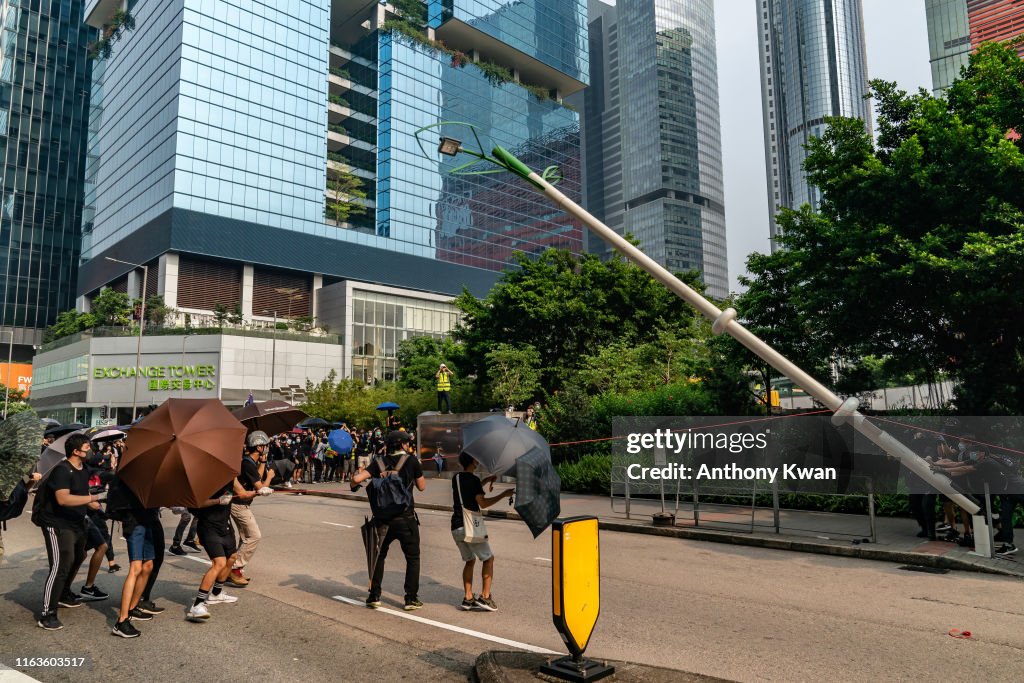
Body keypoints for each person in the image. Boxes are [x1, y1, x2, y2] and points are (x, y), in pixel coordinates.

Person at [33, 433, 105, 631]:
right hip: (57, 524)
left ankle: (64, 593)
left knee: (79, 556)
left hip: (76, 522)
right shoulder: (62, 470)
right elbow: (63, 499)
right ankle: (47, 613)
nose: (90, 450)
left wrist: (94, 504)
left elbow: (82, 495)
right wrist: (92, 499)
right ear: (75, 451)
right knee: (60, 565)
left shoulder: (83, 470)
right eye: (86, 447)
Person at [350, 430, 426, 610]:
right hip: (406, 518)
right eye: (407, 443)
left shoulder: (379, 462)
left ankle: (374, 596)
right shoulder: (412, 461)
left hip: (382, 520)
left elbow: (356, 480)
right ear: (402, 444)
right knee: (413, 558)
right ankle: (410, 598)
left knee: (379, 557)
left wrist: (358, 474)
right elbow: (422, 487)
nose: (408, 445)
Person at [451, 453, 515, 611]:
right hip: (471, 525)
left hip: (456, 526)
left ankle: (468, 598)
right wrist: (503, 494)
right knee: (488, 559)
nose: (478, 460)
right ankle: (485, 597)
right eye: (476, 458)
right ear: (473, 461)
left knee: (470, 560)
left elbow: (470, 488)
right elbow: (483, 503)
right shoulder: (472, 481)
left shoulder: (457, 478)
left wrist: (486, 480)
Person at [105, 477, 159, 638]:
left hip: (148, 519)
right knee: (135, 569)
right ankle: (121, 622)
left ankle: (131, 609)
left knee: (148, 565)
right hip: (134, 522)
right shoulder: (129, 474)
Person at [186, 483, 241, 622]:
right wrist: (217, 501)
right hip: (209, 527)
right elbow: (193, 506)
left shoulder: (229, 477)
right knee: (219, 562)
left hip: (225, 526)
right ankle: (197, 605)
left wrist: (261, 490)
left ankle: (216, 593)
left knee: (232, 558)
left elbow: (242, 493)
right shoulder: (200, 481)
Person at [229, 431, 275, 587]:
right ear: (259, 447)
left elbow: (256, 477)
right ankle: (234, 568)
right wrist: (270, 477)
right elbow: (260, 488)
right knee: (254, 536)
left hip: (242, 505)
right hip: (239, 506)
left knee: (245, 538)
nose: (267, 449)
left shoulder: (250, 462)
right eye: (265, 446)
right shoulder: (247, 463)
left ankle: (234, 568)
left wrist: (262, 464)